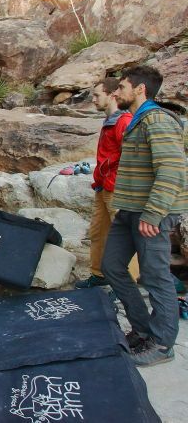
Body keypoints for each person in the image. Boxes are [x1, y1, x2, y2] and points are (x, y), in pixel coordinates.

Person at [101, 65, 187, 367]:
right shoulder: (138, 120)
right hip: (130, 210)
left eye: (122, 87)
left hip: (151, 214)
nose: (116, 92)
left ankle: (162, 344)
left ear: (140, 89)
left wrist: (153, 213)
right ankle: (142, 329)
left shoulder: (158, 120)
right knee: (111, 266)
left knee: (155, 277)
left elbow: (172, 170)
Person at [76, 78, 140, 288]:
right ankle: (99, 274)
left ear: (112, 95)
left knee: (123, 235)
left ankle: (127, 284)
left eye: (97, 95)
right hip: (103, 186)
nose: (93, 99)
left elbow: (131, 154)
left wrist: (111, 172)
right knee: (98, 232)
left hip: (117, 187)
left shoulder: (124, 121)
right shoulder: (110, 121)